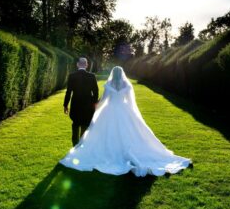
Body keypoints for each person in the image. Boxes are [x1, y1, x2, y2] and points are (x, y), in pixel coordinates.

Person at [60, 66, 192, 177]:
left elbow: (104, 100)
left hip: (109, 110)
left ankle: (109, 152)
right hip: (123, 109)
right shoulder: (126, 86)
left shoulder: (109, 85)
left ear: (113, 74)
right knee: (128, 131)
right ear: (122, 74)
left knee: (107, 132)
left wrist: (96, 107)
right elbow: (130, 102)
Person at [64, 57, 99, 146]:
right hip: (88, 105)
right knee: (85, 125)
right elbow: (96, 91)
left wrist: (65, 105)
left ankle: (74, 146)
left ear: (77, 64)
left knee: (75, 124)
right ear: (87, 65)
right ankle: (82, 147)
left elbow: (68, 92)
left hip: (75, 104)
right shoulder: (92, 76)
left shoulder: (72, 76)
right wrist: (94, 103)